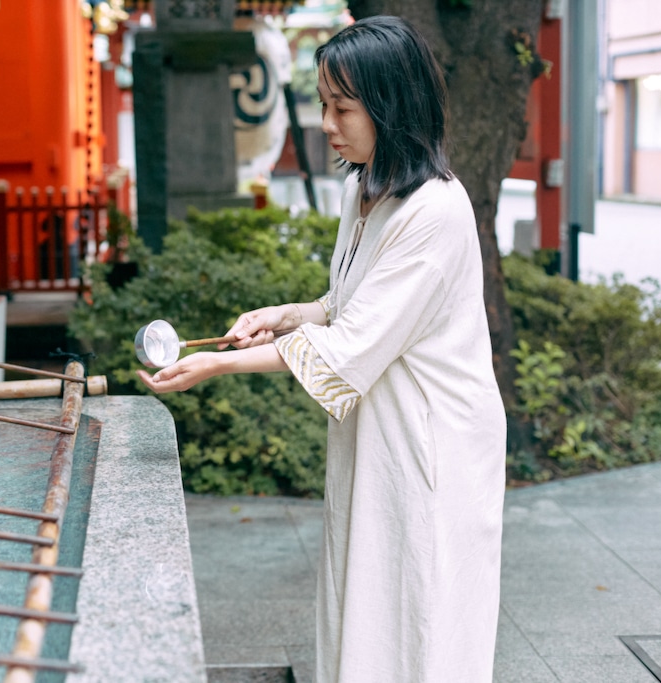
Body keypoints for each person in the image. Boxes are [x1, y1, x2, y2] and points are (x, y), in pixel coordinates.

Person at [137, 15, 507, 683]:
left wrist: (220, 363)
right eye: (324, 104)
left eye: (342, 107)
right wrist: (282, 315)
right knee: (365, 589)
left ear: (390, 105)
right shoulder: (361, 190)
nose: (328, 122)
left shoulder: (437, 209)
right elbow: (348, 307)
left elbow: (351, 344)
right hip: (380, 428)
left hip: (432, 443)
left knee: (423, 600)